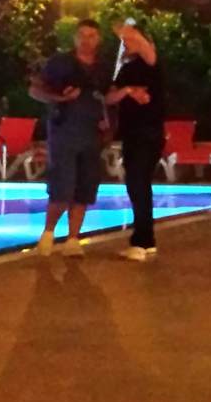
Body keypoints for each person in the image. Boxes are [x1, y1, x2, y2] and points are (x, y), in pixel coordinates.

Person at [29, 19, 111, 258]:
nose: (86, 40)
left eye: (91, 36)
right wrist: (61, 99)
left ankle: (74, 238)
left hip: (92, 134)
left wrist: (109, 118)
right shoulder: (60, 63)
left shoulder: (103, 68)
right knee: (62, 186)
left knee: (85, 186)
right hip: (64, 131)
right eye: (82, 35)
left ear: (99, 39)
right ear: (75, 38)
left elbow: (107, 97)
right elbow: (35, 90)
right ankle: (48, 234)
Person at [108, 21, 165, 262]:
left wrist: (129, 29)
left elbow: (146, 48)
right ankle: (146, 239)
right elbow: (110, 97)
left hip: (148, 133)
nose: (126, 43)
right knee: (137, 185)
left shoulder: (152, 64)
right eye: (124, 40)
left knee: (138, 183)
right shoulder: (127, 69)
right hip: (132, 133)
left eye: (130, 39)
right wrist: (129, 91)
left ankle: (141, 242)